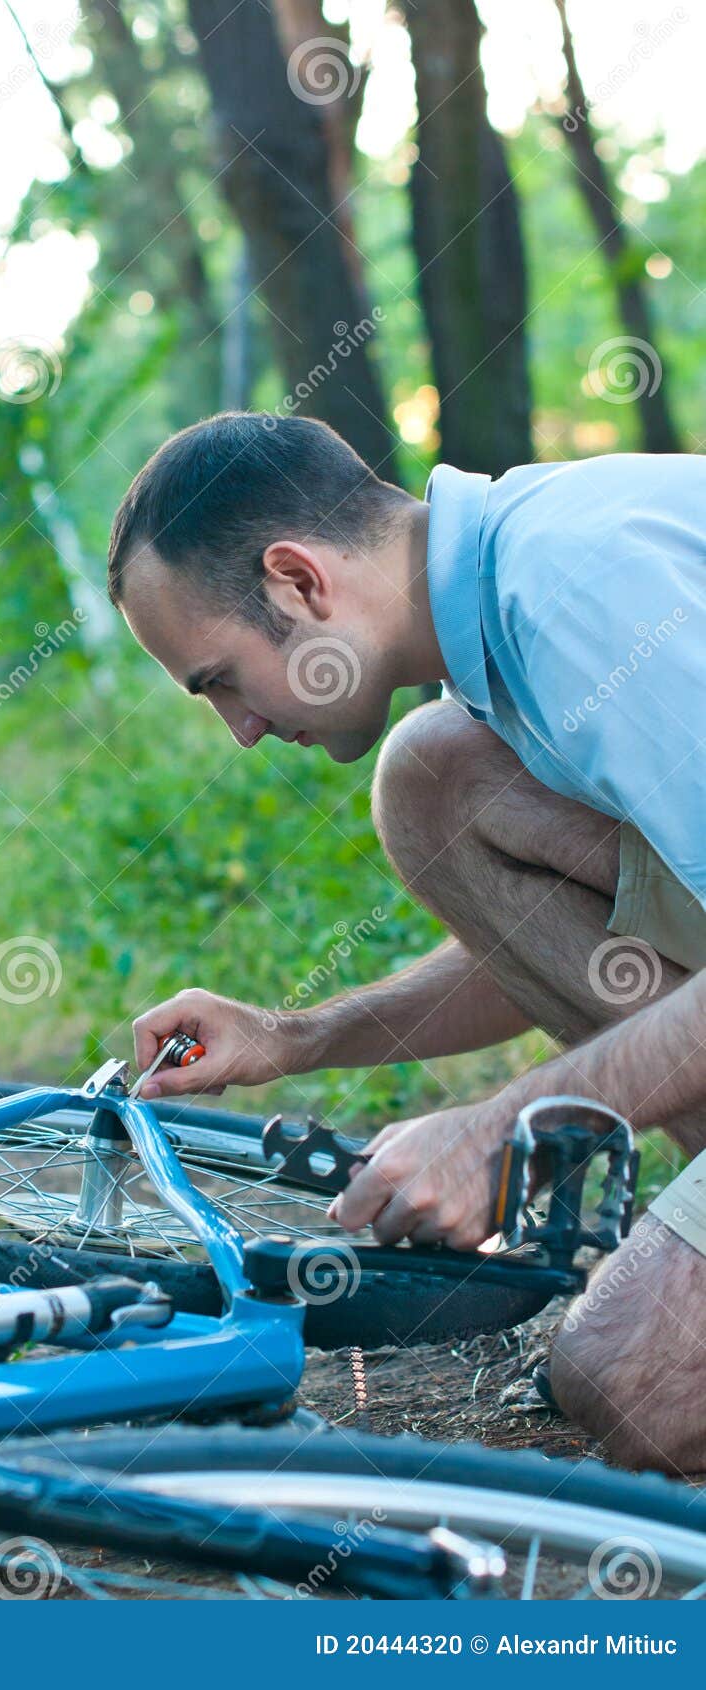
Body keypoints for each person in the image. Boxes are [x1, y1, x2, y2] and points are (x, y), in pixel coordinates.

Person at [108, 410, 706, 1474]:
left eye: (220, 681)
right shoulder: (497, 630)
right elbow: (578, 940)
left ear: (295, 582)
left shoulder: (578, 596)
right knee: (433, 775)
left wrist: (494, 1130)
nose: (240, 729)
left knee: (631, 1377)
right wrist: (294, 1036)